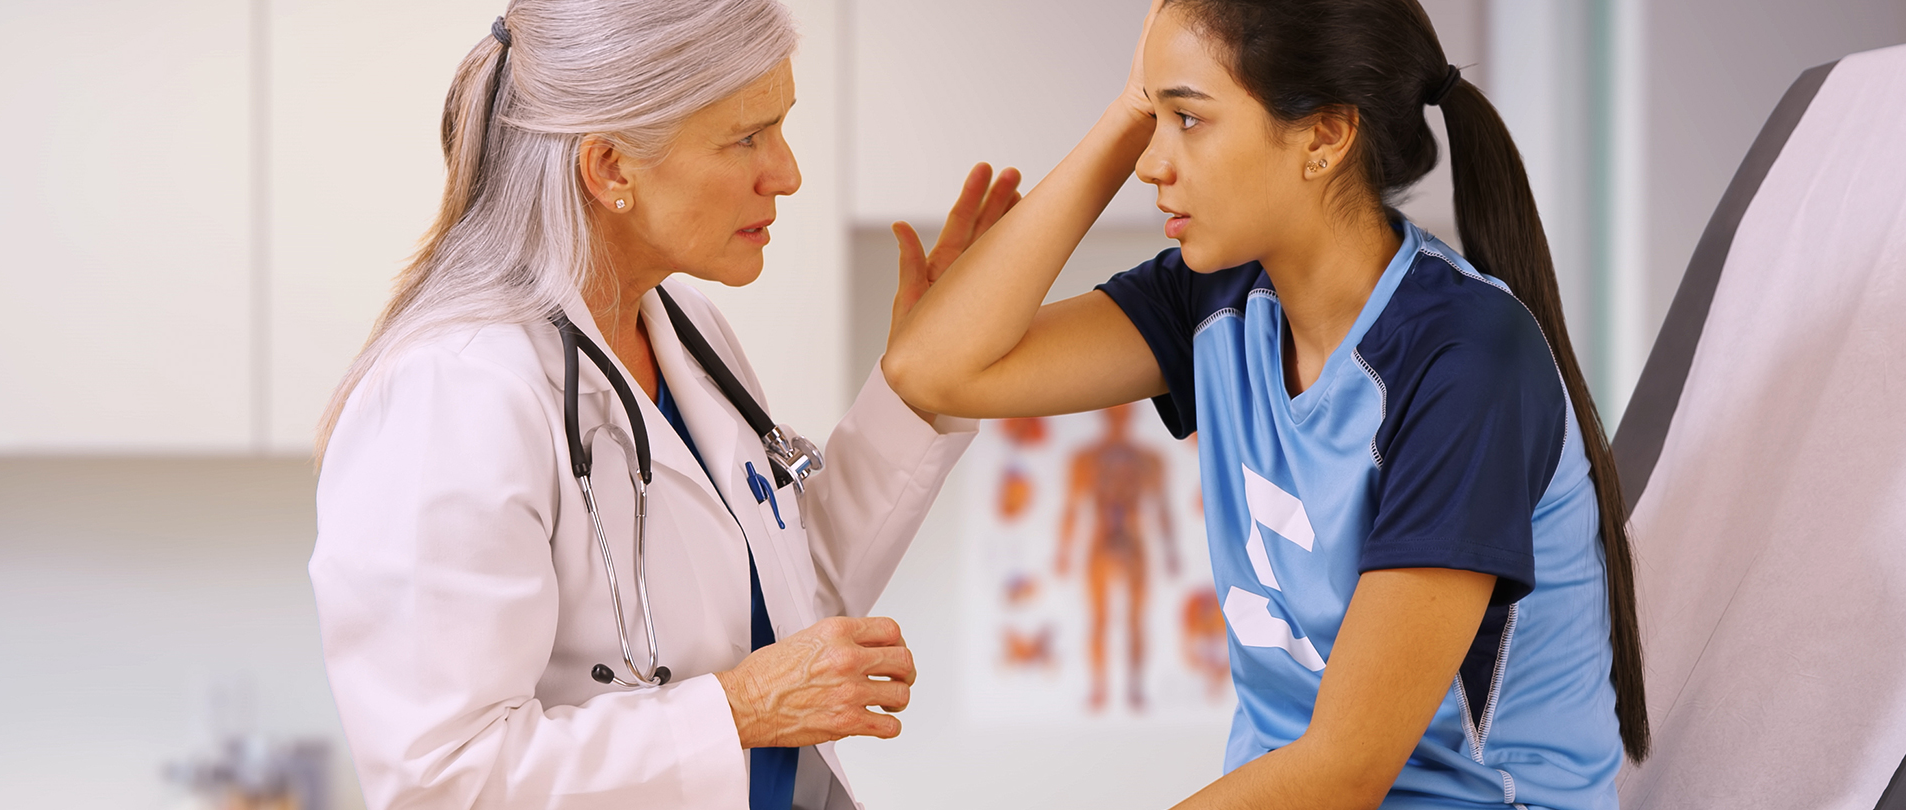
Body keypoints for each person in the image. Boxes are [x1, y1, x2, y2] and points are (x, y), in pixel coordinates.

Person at [881, 0, 1647, 807]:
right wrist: (1123, 115)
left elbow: (1343, 771)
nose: (1152, 161)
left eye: (1188, 118)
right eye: (1156, 114)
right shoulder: (1219, 299)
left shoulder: (1464, 360)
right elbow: (933, 371)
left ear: (1323, 136)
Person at [306, 2, 1018, 808]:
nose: (785, 173)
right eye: (746, 137)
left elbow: (784, 607)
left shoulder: (688, 335)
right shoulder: (454, 390)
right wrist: (742, 709)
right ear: (610, 167)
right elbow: (442, 781)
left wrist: (917, 386)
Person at [1056, 404, 1179, 711]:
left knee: (1135, 620)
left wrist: (1170, 551)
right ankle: (1100, 687)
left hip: (1134, 541)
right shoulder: (1086, 459)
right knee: (1100, 619)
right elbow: (1072, 507)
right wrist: (1064, 550)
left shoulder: (1148, 460)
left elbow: (1162, 509)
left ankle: (1135, 687)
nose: (1118, 417)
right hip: (1101, 540)